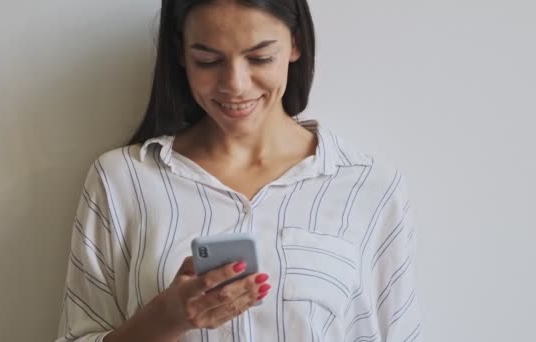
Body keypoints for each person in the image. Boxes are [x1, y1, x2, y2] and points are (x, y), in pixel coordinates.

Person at [55, 0, 423, 341]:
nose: (235, 84)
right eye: (208, 61)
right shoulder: (123, 179)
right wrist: (166, 317)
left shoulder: (369, 186)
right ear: (181, 54)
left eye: (260, 58)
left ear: (295, 45)